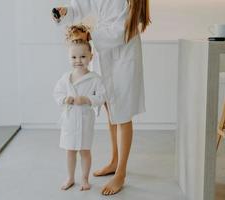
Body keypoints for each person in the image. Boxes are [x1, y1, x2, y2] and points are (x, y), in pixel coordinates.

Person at [52, 0, 151, 195]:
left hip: (123, 52)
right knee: (110, 109)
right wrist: (66, 12)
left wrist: (90, 35)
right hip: (104, 52)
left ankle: (121, 172)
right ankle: (114, 161)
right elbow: (81, 6)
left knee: (122, 114)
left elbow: (124, 28)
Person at [53, 24, 106, 191]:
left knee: (84, 150)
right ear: (69, 58)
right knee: (70, 150)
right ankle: (70, 177)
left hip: (84, 120)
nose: (78, 61)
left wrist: (87, 99)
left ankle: (84, 178)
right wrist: (64, 100)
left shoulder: (95, 79)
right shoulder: (66, 78)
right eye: (74, 57)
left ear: (91, 56)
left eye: (83, 57)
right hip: (69, 120)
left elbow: (102, 97)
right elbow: (57, 93)